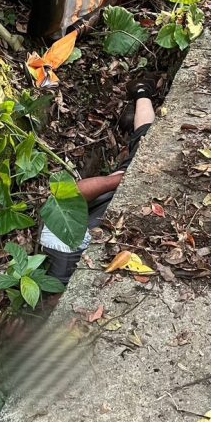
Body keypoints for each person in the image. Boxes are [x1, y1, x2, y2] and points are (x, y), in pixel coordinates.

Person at [40, 78, 158, 282]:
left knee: (144, 141)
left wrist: (120, 180)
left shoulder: (58, 243)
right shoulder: (63, 258)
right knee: (144, 140)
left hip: (113, 191)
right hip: (119, 200)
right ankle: (141, 93)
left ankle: (141, 91)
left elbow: (68, 195)